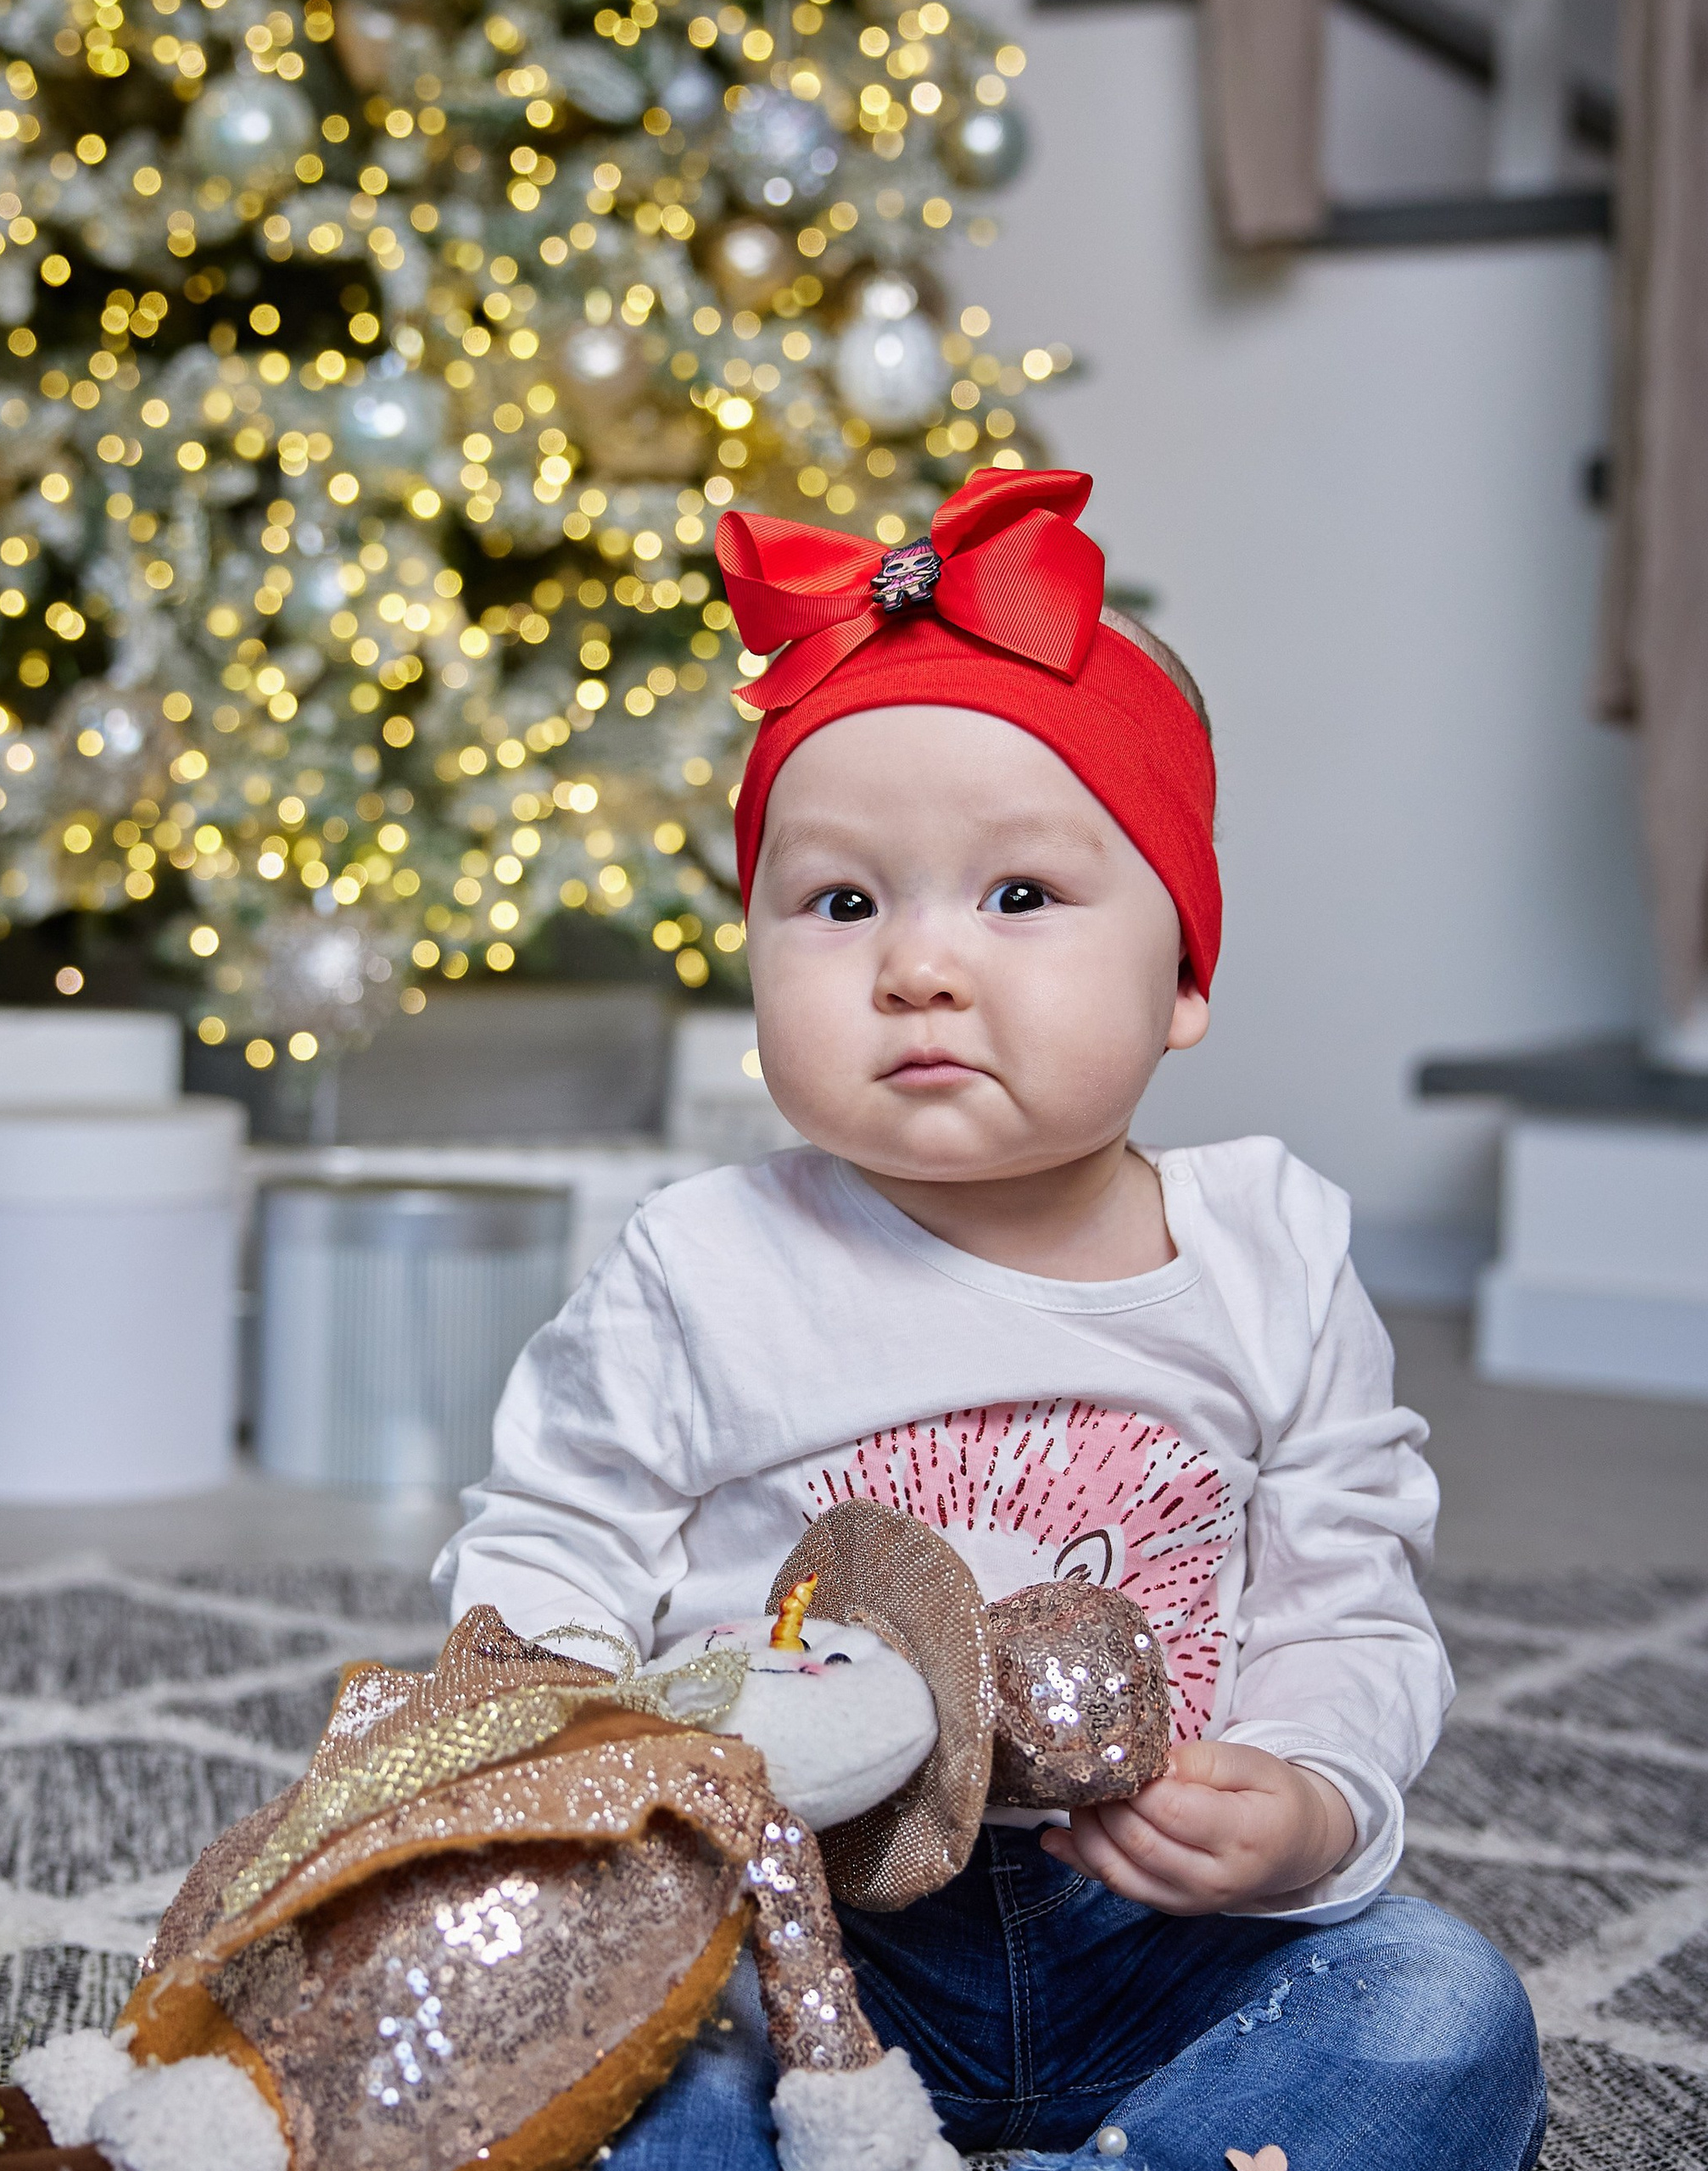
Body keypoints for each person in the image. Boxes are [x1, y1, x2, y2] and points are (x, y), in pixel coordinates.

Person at [432, 469, 1546, 2171]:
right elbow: (549, 1548)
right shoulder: (703, 1264)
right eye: (842, 903)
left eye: (1017, 895)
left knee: (1440, 2009)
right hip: (797, 1927)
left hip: (1161, 1932)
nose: (918, 968)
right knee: (580, 2052)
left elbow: (1347, 1594)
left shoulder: (1267, 1255)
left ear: (1183, 976)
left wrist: (1309, 1797)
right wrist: (591, 1790)